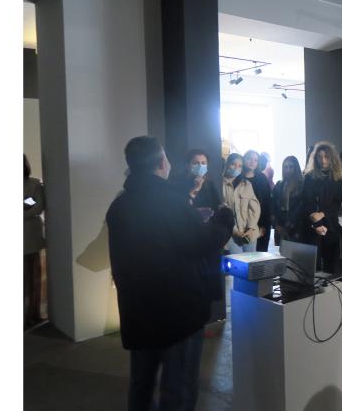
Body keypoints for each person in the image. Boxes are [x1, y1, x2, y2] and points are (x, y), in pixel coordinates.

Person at [106, 136, 234, 411]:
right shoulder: (171, 203)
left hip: (137, 312)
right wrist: (225, 220)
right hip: (178, 315)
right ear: (162, 163)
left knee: (141, 385)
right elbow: (202, 242)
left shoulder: (119, 207)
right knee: (179, 389)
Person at [168, 149, 226, 321]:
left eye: (203, 163)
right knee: (193, 282)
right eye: (196, 163)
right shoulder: (177, 184)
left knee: (210, 281)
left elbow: (217, 206)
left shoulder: (210, 184)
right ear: (187, 165)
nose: (200, 166)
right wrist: (194, 191)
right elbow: (176, 211)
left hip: (209, 239)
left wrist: (217, 214)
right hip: (189, 240)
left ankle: (208, 318)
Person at [300, 141, 342, 273]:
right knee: (313, 265)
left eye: (326, 156)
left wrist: (323, 213)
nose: (323, 160)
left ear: (331, 158)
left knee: (331, 263)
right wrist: (317, 223)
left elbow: (337, 202)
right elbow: (306, 201)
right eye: (320, 157)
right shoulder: (309, 177)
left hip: (331, 224)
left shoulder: (337, 178)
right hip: (312, 225)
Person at [223, 153, 261, 254]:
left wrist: (250, 228)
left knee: (251, 262)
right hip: (231, 234)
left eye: (239, 166)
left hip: (249, 233)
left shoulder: (246, 184)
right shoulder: (220, 185)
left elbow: (254, 208)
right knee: (236, 262)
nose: (236, 168)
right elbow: (223, 212)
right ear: (227, 164)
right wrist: (235, 231)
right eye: (233, 164)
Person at [24, 154, 45, 328]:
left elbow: (38, 207)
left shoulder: (34, 184)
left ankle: (33, 314)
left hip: (31, 237)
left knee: (34, 278)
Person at [241, 150, 273, 252]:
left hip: (260, 222)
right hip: (241, 224)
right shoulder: (238, 178)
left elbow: (267, 203)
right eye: (249, 159)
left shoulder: (262, 178)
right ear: (244, 159)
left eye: (255, 160)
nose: (252, 162)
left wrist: (263, 225)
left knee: (259, 254)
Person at [271, 156, 304, 246]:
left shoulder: (302, 185)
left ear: (296, 168)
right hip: (280, 224)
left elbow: (302, 207)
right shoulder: (279, 185)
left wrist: (291, 225)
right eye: (285, 167)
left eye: (291, 167)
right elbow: (272, 207)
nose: (288, 170)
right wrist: (275, 225)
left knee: (296, 253)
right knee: (281, 252)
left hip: (297, 227)